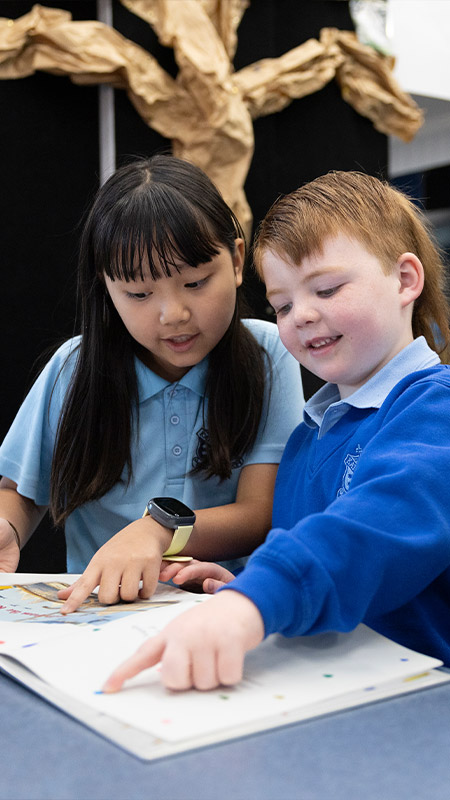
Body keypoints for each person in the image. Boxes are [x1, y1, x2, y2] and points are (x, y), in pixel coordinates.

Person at [103, 169, 450, 695]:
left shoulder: (435, 407)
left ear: (405, 280)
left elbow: (370, 530)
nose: (303, 316)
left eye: (328, 289)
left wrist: (255, 603)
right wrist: (245, 585)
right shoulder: (309, 436)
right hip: (331, 691)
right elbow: (307, 559)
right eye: (282, 305)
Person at [0, 154, 304, 611]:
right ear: (106, 288)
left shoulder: (269, 353)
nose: (173, 314)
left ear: (237, 260)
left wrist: (158, 528)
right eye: (139, 294)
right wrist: (8, 526)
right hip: (95, 612)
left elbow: (259, 515)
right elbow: (21, 492)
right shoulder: (73, 368)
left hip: (225, 605)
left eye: (197, 283)